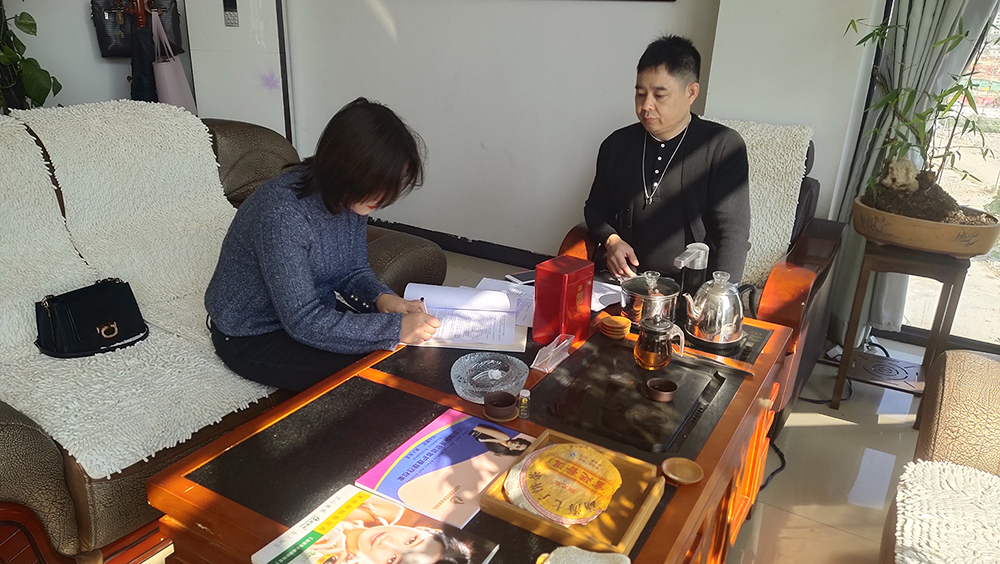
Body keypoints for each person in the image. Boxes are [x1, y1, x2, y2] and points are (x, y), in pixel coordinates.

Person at [205, 98, 441, 391]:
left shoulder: (349, 198)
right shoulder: (281, 214)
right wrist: (394, 328)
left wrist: (382, 298)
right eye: (377, 183)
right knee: (378, 375)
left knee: (408, 353)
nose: (384, 197)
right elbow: (303, 321)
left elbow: (353, 270)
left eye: (392, 183)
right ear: (344, 166)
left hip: (308, 315)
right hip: (251, 334)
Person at [584, 35, 751, 282]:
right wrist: (612, 241)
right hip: (624, 281)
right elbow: (596, 209)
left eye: (659, 96)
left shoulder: (722, 147)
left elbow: (732, 233)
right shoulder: (616, 145)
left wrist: (720, 293)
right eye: (640, 94)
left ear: (691, 92)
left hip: (691, 289)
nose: (646, 105)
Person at [305, 496, 471, 564]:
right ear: (423, 529)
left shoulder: (324, 556)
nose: (386, 543)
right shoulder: (388, 509)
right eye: (411, 540)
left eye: (393, 560)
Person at [467, 424, 532, 456]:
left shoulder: (501, 447)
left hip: (469, 429)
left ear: (511, 449)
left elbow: (475, 429)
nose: (516, 443)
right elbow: (475, 428)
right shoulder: (504, 438)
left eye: (517, 447)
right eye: (520, 442)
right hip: (470, 428)